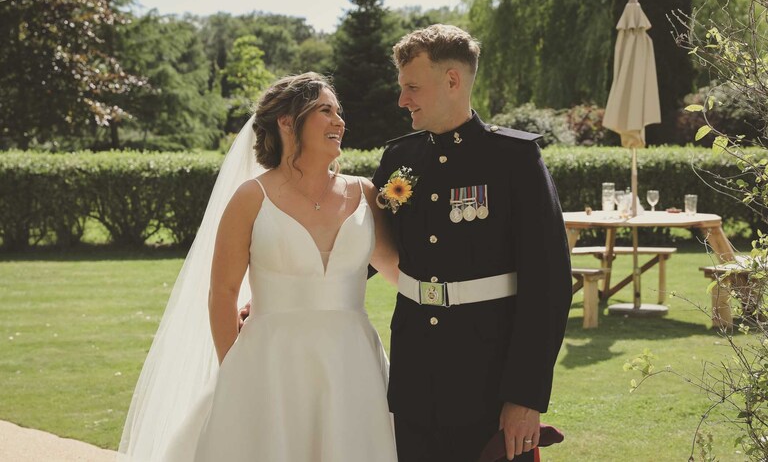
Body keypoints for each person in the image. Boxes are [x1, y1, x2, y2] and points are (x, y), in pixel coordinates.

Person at [119, 72, 399, 462]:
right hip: (269, 363)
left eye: (339, 112)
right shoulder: (252, 197)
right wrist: (234, 371)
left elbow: (398, 270)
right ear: (287, 121)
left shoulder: (366, 193)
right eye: (325, 110)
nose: (339, 122)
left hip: (352, 363)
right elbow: (223, 293)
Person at [372, 24, 572, 462]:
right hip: (415, 381)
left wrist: (526, 396)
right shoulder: (398, 158)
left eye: (412, 87)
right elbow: (362, 249)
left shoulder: (513, 158)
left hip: (490, 383)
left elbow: (549, 283)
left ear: (452, 80)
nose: (402, 100)